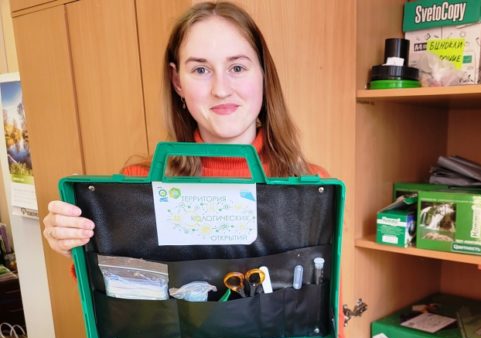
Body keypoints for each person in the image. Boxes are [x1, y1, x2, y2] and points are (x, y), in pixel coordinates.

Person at [43, 1, 326, 257]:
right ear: (177, 81)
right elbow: (113, 293)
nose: (221, 89)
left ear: (263, 73)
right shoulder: (136, 189)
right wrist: (78, 247)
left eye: (237, 68)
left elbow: (325, 295)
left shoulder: (314, 188)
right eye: (201, 70)